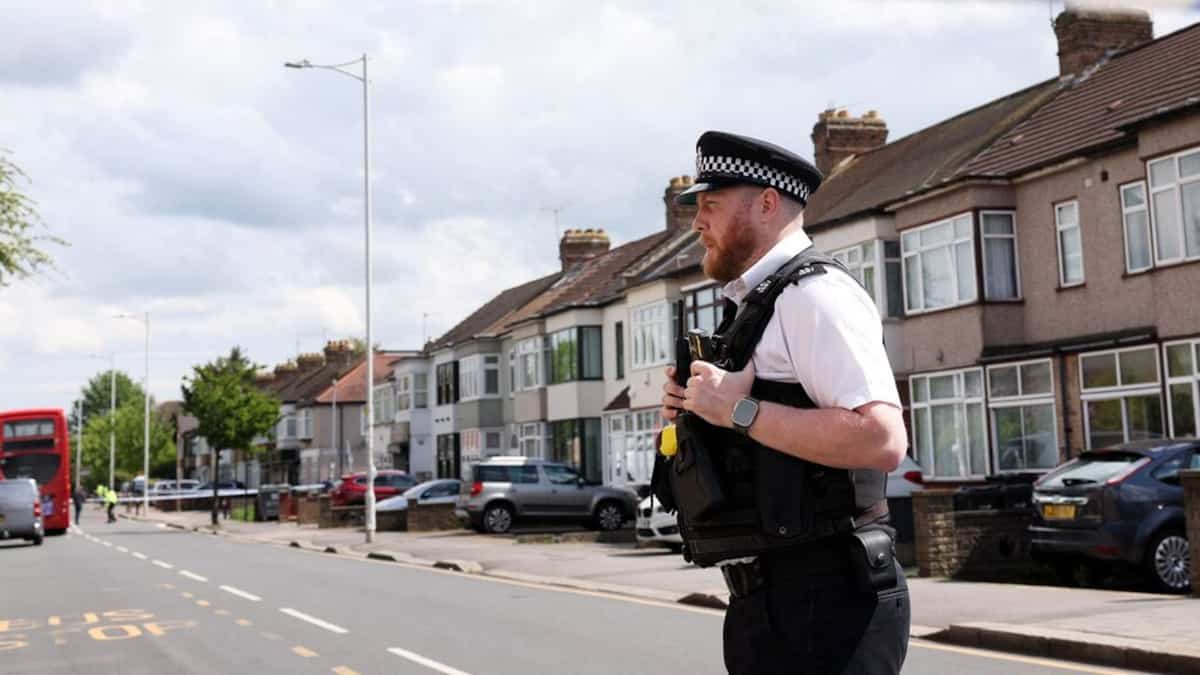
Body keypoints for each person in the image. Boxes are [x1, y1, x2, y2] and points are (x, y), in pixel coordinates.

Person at [660, 131, 911, 674]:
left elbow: (882, 440)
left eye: (710, 205)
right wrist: (699, 415)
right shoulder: (757, 303)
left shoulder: (816, 295)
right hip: (770, 601)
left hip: (830, 601)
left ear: (767, 203)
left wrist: (737, 412)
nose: (697, 222)